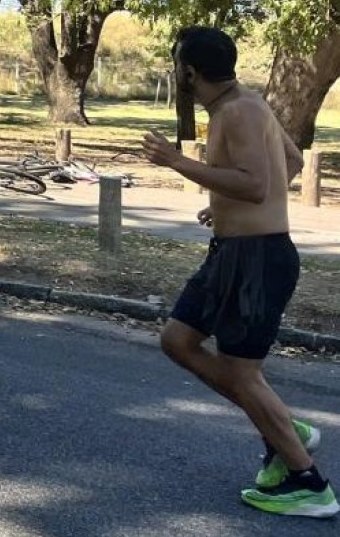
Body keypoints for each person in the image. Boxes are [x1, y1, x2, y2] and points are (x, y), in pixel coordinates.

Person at [141, 26, 337, 518]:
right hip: (231, 253)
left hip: (256, 259)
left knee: (243, 373)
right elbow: (288, 162)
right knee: (178, 340)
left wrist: (175, 161)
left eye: (178, 66)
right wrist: (224, 205)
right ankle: (283, 424)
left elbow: (254, 184)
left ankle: (307, 482)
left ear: (189, 72)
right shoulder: (242, 105)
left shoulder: (239, 109)